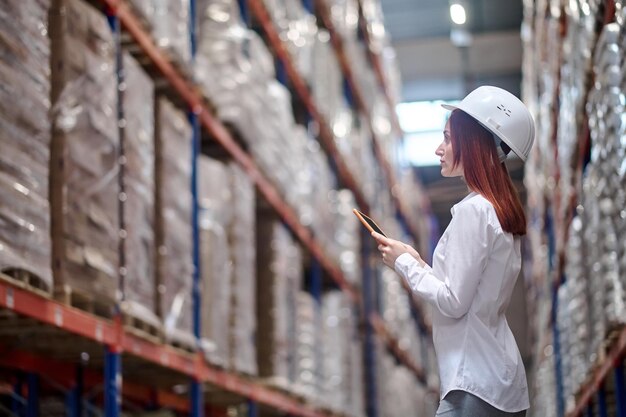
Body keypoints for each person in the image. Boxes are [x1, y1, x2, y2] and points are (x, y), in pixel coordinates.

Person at [373, 86, 534, 417]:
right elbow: (468, 293)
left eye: (447, 138)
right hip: (499, 383)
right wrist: (417, 261)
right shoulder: (497, 210)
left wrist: (404, 264)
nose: (438, 148)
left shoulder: (473, 212)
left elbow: (452, 301)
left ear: (472, 142)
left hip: (473, 386)